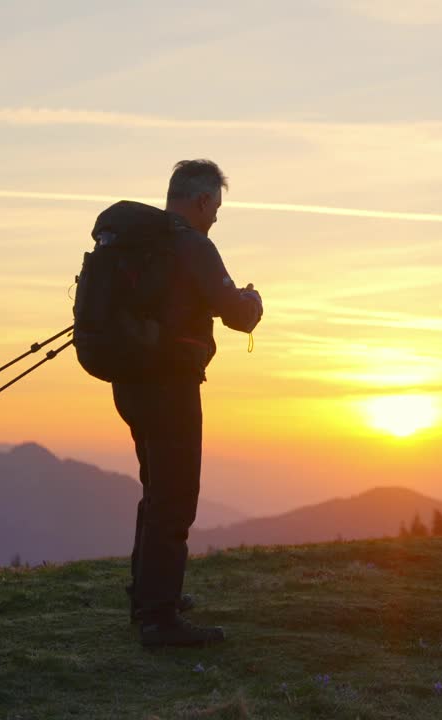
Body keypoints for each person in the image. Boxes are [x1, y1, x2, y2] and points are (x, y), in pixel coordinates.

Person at [113, 160, 263, 647]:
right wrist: (252, 301)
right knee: (175, 498)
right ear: (200, 201)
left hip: (129, 383)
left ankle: (147, 596)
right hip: (171, 386)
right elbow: (238, 315)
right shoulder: (192, 247)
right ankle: (160, 619)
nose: (216, 218)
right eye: (215, 207)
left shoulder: (142, 244)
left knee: (155, 488)